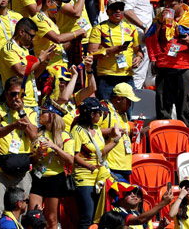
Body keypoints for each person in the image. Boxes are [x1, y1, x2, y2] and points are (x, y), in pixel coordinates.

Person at [0, 77, 39, 226]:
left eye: (19, 94)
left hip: (22, 172)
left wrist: (21, 112)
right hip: (0, 172)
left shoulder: (29, 112)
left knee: (19, 213)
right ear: (6, 93)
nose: (16, 98)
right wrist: (14, 125)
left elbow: (34, 135)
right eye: (12, 94)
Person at [71, 97, 121, 229]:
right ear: (92, 114)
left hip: (99, 176)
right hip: (84, 178)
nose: (101, 115)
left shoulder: (96, 128)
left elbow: (101, 151)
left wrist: (115, 141)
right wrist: (88, 166)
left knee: (99, 218)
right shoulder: (77, 131)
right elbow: (74, 156)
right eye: (99, 112)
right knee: (87, 218)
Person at [29, 98, 74, 229]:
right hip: (38, 177)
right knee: (34, 217)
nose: (40, 114)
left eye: (43, 112)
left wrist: (55, 147)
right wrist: (36, 155)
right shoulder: (38, 133)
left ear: (52, 116)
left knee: (51, 219)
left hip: (55, 179)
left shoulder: (65, 136)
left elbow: (70, 160)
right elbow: (30, 158)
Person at [88, 0, 142, 100]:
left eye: (120, 8)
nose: (118, 11)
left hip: (127, 76)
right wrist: (113, 50)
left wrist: (139, 58)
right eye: (114, 8)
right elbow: (91, 53)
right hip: (107, 77)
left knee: (127, 113)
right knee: (107, 113)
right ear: (107, 11)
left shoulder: (131, 29)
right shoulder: (99, 29)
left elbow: (138, 50)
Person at [119, 0, 156, 89]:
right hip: (139, 36)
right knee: (137, 77)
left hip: (137, 34)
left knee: (142, 77)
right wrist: (145, 26)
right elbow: (127, 10)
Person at [0, 18, 55, 109]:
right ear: (21, 32)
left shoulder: (25, 50)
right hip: (19, 102)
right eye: (32, 36)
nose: (33, 40)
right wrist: (40, 59)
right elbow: (21, 71)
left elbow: (34, 75)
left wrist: (46, 60)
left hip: (32, 101)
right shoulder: (8, 48)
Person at [100, 83, 138, 181]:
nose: (130, 105)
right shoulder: (104, 110)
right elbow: (89, 131)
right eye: (128, 101)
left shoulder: (123, 113)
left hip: (125, 167)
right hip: (111, 167)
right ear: (118, 99)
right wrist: (109, 132)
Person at [108, 182, 174, 226]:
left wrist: (160, 227)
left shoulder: (135, 213)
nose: (134, 195)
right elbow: (139, 220)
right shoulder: (116, 212)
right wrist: (162, 203)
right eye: (128, 193)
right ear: (120, 198)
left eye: (137, 194)